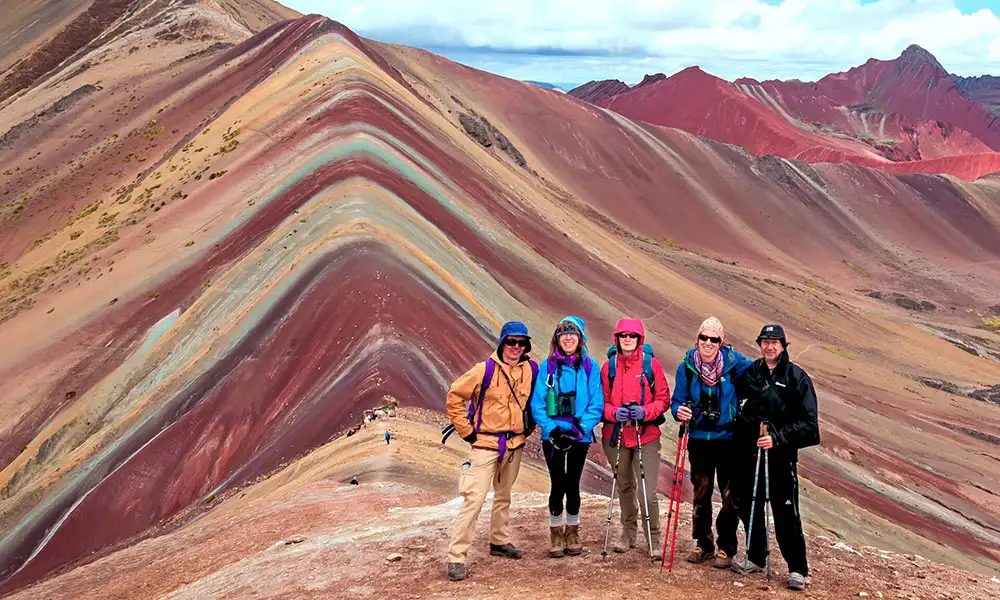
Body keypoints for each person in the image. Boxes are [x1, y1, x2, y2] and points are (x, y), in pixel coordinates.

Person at [444, 321, 537, 582]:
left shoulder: (531, 369)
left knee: (504, 495)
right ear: (502, 342)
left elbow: (536, 400)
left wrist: (529, 426)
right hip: (485, 444)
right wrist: (467, 432)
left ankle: (499, 541)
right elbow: (454, 395)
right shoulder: (482, 370)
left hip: (515, 443)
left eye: (521, 343)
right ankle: (456, 556)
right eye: (511, 342)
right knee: (474, 498)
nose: (516, 347)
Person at [732, 324, 820, 592]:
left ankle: (797, 568)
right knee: (749, 503)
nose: (770, 347)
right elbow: (738, 405)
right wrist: (747, 423)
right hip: (751, 450)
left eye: (775, 342)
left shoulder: (797, 378)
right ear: (760, 344)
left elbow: (809, 425)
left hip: (781, 455)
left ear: (783, 345)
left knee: (785, 511)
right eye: (765, 342)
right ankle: (756, 557)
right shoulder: (751, 374)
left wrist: (778, 437)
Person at [670, 317, 753, 569]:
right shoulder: (686, 367)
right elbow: (677, 400)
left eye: (713, 339)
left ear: (722, 341)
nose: (708, 343)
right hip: (698, 440)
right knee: (701, 493)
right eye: (703, 338)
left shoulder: (734, 364)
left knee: (729, 496)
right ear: (697, 339)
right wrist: (679, 412)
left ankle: (726, 547)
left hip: (728, 439)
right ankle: (703, 543)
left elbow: (758, 379)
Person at [530, 316, 604, 558]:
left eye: (573, 333)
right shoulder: (547, 367)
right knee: (557, 483)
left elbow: (596, 403)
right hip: (552, 436)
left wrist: (579, 429)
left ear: (581, 338)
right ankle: (555, 533)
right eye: (564, 333)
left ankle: (572, 531)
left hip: (579, 436)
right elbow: (538, 403)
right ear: (557, 338)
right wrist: (552, 429)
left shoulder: (590, 367)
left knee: (573, 483)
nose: (569, 337)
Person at [600, 318, 670, 558]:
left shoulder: (651, 366)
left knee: (647, 490)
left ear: (639, 339)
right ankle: (628, 534)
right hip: (616, 436)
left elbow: (663, 399)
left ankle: (654, 538)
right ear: (617, 339)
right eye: (623, 335)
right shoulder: (608, 368)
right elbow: (599, 403)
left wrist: (645, 412)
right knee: (625, 486)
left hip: (645, 435)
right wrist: (612, 413)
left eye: (632, 335)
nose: (627, 339)